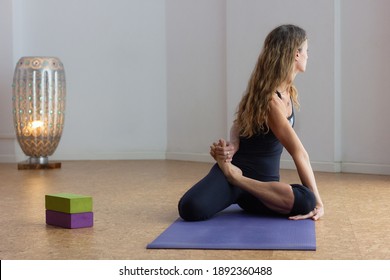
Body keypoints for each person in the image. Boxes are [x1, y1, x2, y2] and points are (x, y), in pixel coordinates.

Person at [178, 24, 324, 222]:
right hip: (236, 170)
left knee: (305, 200)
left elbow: (239, 123)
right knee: (190, 208)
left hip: (262, 188)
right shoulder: (270, 100)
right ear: (296, 54)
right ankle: (234, 179)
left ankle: (240, 182)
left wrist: (235, 142)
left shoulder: (287, 91)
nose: (308, 55)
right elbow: (299, 153)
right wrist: (319, 203)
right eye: (307, 50)